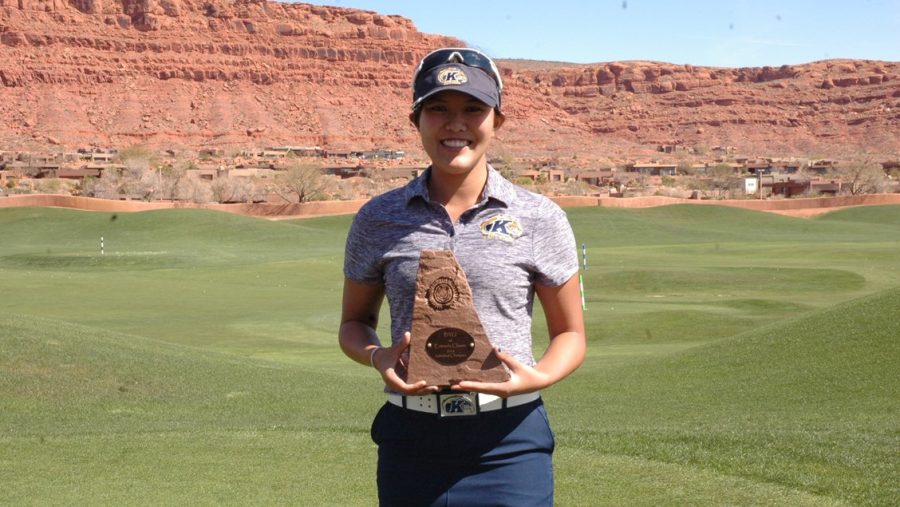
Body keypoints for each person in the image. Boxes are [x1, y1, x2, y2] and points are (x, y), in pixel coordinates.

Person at [339, 47, 586, 507]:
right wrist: (378, 358)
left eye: (473, 108)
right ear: (416, 121)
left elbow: (571, 333)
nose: (456, 124)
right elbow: (353, 325)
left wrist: (536, 378)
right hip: (411, 440)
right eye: (439, 109)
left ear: (497, 120)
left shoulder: (539, 217)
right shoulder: (378, 218)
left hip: (509, 441)